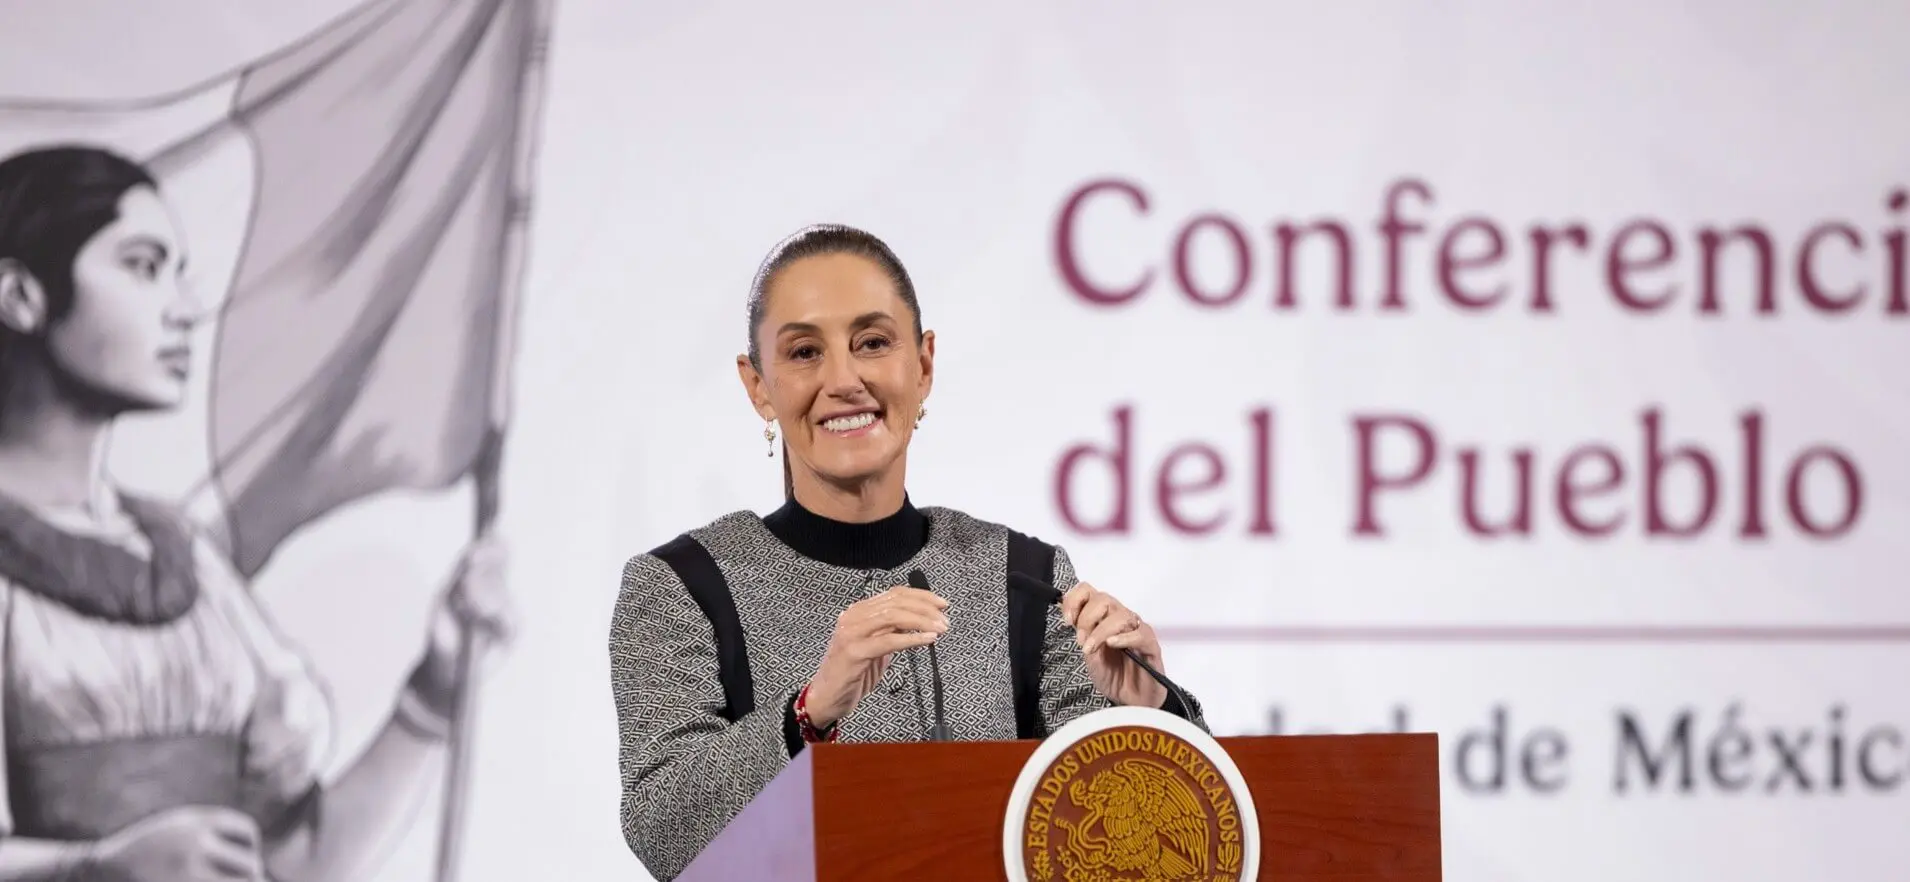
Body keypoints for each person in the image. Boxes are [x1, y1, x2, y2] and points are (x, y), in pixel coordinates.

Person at [608, 223, 1206, 880]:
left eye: (872, 343)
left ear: (922, 366)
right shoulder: (681, 588)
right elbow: (664, 830)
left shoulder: (1024, 578)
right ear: (758, 387)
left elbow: (1144, 849)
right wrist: (807, 715)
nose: (844, 380)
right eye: (805, 352)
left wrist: (1149, 713)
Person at [0, 144, 513, 882]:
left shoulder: (186, 562)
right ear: (20, 296)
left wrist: (433, 692)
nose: (181, 308)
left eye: (180, 274)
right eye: (142, 267)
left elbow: (296, 864)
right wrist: (92, 868)